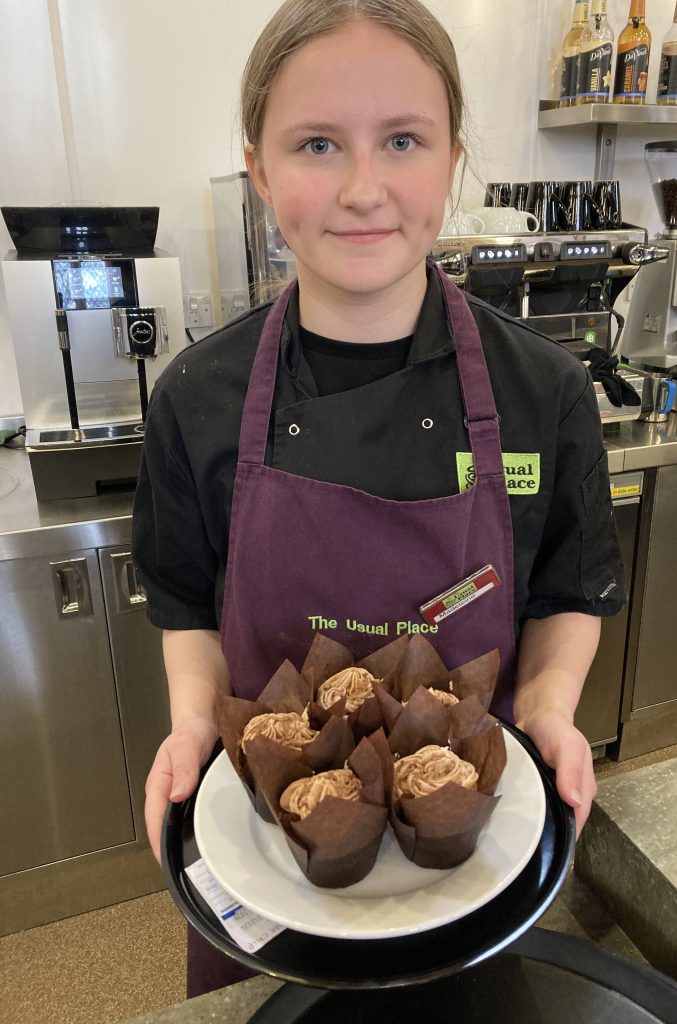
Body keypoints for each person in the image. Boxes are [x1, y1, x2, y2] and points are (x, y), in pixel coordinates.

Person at [132, 0, 626, 997]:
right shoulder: (197, 396)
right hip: (265, 862)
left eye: (401, 140)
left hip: (471, 858)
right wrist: (193, 723)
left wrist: (545, 707)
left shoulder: (543, 390)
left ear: (450, 159)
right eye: (317, 144)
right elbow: (183, 596)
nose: (362, 188)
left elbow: (568, 584)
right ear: (260, 170)